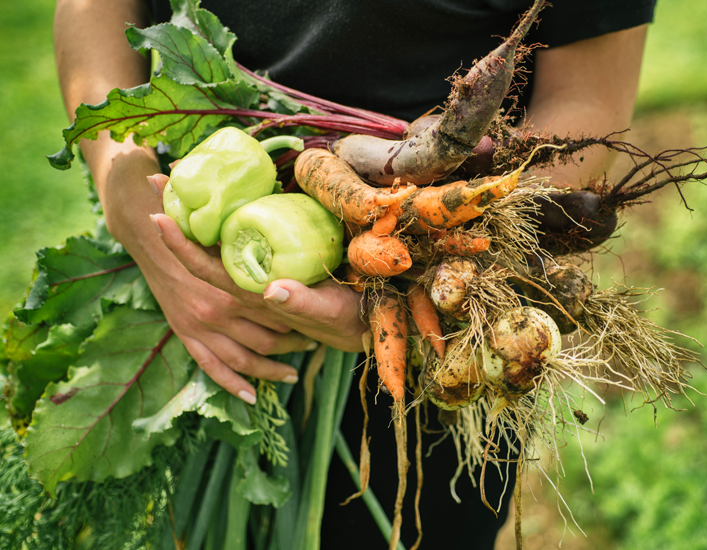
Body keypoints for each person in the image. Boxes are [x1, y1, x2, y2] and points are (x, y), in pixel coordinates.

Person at [53, 1, 654, 546]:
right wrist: (122, 183)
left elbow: (587, 98)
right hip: (190, 295)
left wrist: (429, 255)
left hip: (442, 338)